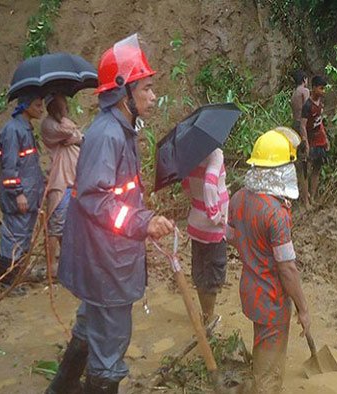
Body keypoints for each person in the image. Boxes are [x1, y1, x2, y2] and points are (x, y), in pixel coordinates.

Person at [46, 36, 174, 394]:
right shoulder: (108, 136)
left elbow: (121, 195)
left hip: (104, 256)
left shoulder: (121, 131)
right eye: (146, 88)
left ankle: (61, 389)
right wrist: (142, 222)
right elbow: (95, 200)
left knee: (89, 327)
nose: (152, 96)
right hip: (106, 261)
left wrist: (145, 217)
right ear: (123, 91)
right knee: (109, 352)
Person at [227, 128, 311, 394]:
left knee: (261, 341)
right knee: (270, 372)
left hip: (250, 290)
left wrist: (254, 248)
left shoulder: (238, 198)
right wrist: (303, 308)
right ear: (281, 169)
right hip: (272, 297)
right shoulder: (276, 214)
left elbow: (230, 236)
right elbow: (287, 268)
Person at [0, 90, 46, 290]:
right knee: (14, 236)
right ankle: (6, 280)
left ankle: (17, 274)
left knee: (23, 235)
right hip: (19, 197)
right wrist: (18, 193)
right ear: (25, 107)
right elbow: (10, 166)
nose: (42, 109)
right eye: (38, 105)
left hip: (29, 195)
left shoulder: (25, 129)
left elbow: (29, 166)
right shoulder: (12, 131)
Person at [182, 147, 229, 324]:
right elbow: (210, 183)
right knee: (213, 272)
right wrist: (216, 216)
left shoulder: (191, 154)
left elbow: (186, 184)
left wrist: (197, 199)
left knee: (200, 268)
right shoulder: (215, 154)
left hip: (196, 222)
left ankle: (205, 314)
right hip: (212, 228)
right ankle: (209, 318)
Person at [39, 93, 83, 277]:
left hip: (72, 182)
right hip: (60, 183)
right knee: (55, 226)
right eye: (62, 104)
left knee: (68, 227)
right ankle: (51, 266)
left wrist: (76, 135)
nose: (66, 106)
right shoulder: (49, 124)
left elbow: (80, 137)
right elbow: (70, 131)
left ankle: (66, 264)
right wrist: (72, 130)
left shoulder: (59, 124)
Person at [299, 75, 329, 206]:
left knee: (317, 169)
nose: (323, 91)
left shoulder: (320, 103)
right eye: (321, 88)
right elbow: (302, 125)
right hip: (310, 142)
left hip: (320, 141)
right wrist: (305, 143)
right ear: (314, 88)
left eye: (324, 89)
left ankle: (313, 197)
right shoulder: (307, 106)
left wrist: (326, 138)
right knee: (306, 170)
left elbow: (319, 121)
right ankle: (305, 200)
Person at [290, 70, 311, 205]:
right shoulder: (304, 92)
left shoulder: (293, 95)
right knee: (306, 161)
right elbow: (309, 110)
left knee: (298, 161)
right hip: (304, 126)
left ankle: (301, 192)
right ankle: (306, 197)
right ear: (304, 79)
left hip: (294, 126)